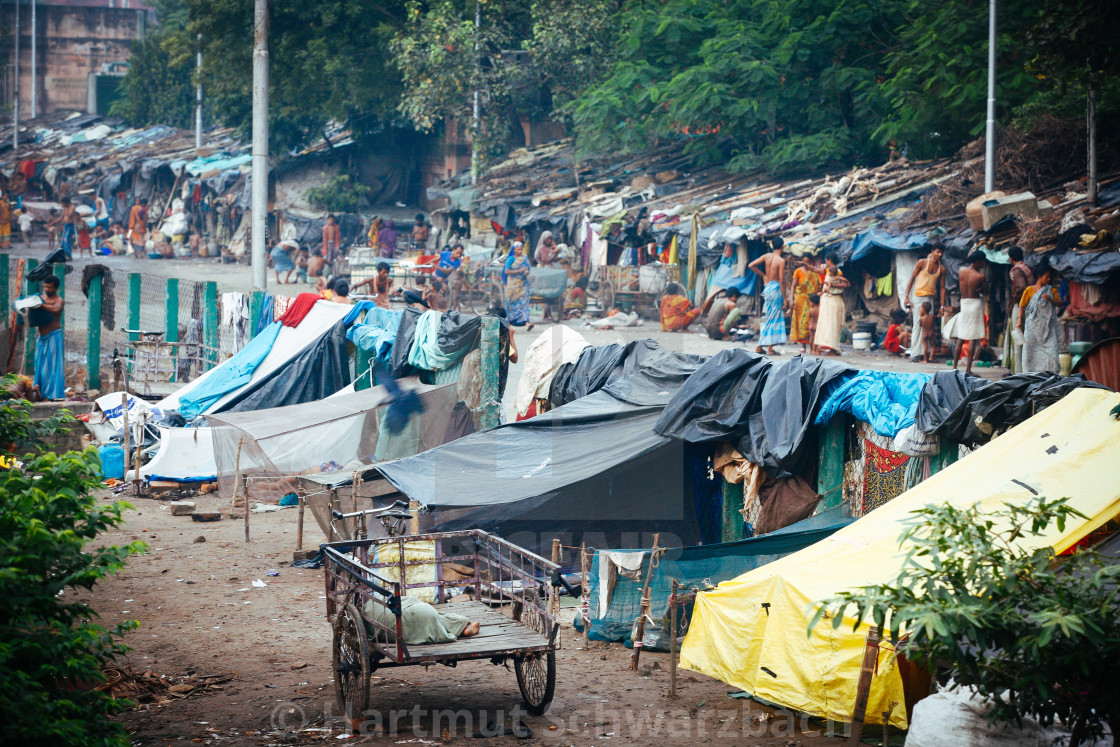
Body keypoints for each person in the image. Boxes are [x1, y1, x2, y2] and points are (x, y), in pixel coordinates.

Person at [946, 250, 988, 375]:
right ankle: (968, 370)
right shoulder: (980, 276)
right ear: (978, 261)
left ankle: (954, 367)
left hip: (964, 303)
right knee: (972, 338)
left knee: (961, 336)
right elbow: (986, 292)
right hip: (974, 304)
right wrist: (981, 288)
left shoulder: (961, 271)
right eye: (982, 261)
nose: (984, 263)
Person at [903, 244, 946, 362]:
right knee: (917, 324)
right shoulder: (922, 263)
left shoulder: (942, 269)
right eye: (938, 251)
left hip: (930, 298)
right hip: (918, 297)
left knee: (929, 326)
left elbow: (942, 288)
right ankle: (915, 354)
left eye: (941, 252)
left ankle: (926, 355)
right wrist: (907, 297)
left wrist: (942, 305)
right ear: (932, 251)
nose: (940, 255)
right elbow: (911, 279)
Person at [749, 237, 788, 354]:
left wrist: (764, 276)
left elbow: (751, 265)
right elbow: (782, 281)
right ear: (782, 246)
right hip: (776, 289)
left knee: (770, 318)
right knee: (773, 318)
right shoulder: (781, 261)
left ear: (772, 246)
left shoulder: (766, 256)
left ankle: (766, 347)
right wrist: (785, 299)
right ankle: (762, 346)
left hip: (768, 289)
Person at [1019, 269, 1062, 374]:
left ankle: (1049, 375)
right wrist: (1019, 320)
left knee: (1052, 351)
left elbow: (1060, 303)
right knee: (1029, 351)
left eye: (1049, 277)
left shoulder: (1052, 291)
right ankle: (1029, 374)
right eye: (1046, 277)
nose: (1048, 279)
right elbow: (1022, 306)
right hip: (1032, 328)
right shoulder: (1029, 290)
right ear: (1039, 277)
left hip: (1048, 328)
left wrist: (1051, 299)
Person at [32, 276, 65, 400]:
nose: (46, 289)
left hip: (54, 336)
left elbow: (56, 309)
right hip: (42, 337)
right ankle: (40, 392)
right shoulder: (41, 298)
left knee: (52, 367)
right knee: (40, 365)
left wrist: (40, 305)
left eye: (49, 287)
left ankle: (53, 394)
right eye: (45, 286)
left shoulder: (59, 300)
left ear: (56, 288)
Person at [814, 254, 849, 355]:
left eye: (826, 260)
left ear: (829, 260)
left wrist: (831, 284)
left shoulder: (836, 272)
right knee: (827, 324)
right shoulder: (828, 271)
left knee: (832, 325)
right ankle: (828, 347)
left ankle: (833, 349)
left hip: (833, 299)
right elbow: (815, 270)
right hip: (828, 300)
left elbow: (845, 284)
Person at [1007, 246, 1035, 373]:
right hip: (1028, 305)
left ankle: (1017, 371)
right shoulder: (1026, 267)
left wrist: (1014, 300)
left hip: (1021, 306)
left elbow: (1021, 287)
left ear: (1011, 258)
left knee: (1017, 337)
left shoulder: (1017, 270)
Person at [790, 254, 823, 352]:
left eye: (808, 261)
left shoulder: (815, 271)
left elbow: (819, 285)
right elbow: (793, 285)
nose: (806, 263)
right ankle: (803, 345)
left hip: (812, 299)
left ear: (811, 261)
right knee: (801, 322)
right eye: (804, 261)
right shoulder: (798, 271)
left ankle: (813, 346)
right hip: (801, 298)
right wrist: (791, 299)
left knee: (811, 321)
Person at [502, 240, 532, 327]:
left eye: (521, 249)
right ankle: (512, 320)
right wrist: (519, 271)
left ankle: (525, 321)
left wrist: (526, 272)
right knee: (512, 301)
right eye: (518, 249)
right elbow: (507, 271)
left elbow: (528, 268)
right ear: (514, 250)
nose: (520, 251)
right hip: (513, 285)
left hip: (523, 283)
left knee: (524, 302)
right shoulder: (511, 259)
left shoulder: (524, 258)